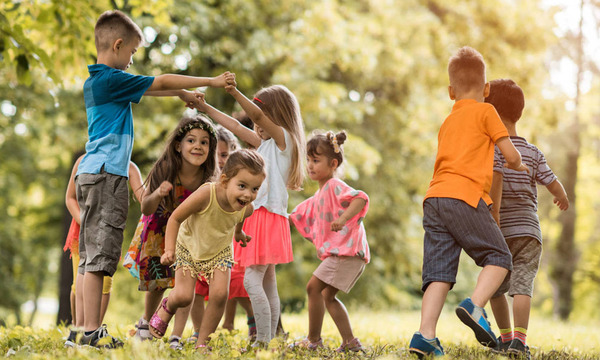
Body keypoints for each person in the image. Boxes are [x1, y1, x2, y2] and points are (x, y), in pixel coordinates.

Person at [76, 9, 230, 347]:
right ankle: (90, 333)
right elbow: (158, 81)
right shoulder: (111, 79)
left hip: (90, 174)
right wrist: (211, 82)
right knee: (101, 259)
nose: (132, 60)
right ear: (117, 45)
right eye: (131, 53)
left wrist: (180, 96)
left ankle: (84, 331)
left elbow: (151, 89)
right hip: (106, 176)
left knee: (91, 259)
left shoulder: (98, 82)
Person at [407, 46, 529, 358]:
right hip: (464, 196)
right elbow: (510, 153)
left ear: (451, 92)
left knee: (438, 273)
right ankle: (475, 306)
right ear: (486, 90)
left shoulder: (448, 121)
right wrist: (519, 165)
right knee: (500, 257)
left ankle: (425, 335)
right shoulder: (487, 111)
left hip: (434, 199)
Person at [195, 78, 306, 346]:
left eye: (263, 116)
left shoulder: (284, 140)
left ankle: (263, 341)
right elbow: (234, 125)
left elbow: (254, 113)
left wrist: (233, 91)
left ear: (277, 115)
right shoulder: (265, 143)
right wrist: (205, 108)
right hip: (265, 217)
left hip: (266, 216)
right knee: (268, 283)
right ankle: (269, 340)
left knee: (251, 279)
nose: (256, 123)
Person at [148, 149, 266, 351]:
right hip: (189, 246)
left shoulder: (247, 207)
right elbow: (175, 218)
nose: (248, 194)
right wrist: (169, 250)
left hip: (219, 251)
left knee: (220, 295)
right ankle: (168, 305)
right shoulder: (207, 193)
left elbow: (239, 219)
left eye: (255, 189)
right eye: (242, 186)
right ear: (224, 180)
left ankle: (203, 342)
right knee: (185, 296)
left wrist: (239, 234)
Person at [485, 79, 569, 359]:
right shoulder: (532, 152)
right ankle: (519, 341)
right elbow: (552, 181)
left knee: (495, 286)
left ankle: (505, 337)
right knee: (523, 284)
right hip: (529, 232)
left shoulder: (491, 149)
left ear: (491, 112)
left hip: (499, 230)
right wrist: (562, 197)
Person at [123, 115, 218, 350]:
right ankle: (146, 322)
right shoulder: (166, 168)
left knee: (185, 283)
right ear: (178, 145)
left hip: (189, 234)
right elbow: (145, 207)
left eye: (204, 142)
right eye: (191, 140)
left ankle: (175, 334)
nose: (198, 146)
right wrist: (157, 193)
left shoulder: (208, 178)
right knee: (158, 281)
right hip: (159, 229)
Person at [289, 131, 369, 353]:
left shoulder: (334, 185)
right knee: (326, 296)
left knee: (313, 288)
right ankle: (351, 342)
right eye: (308, 160)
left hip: (347, 252)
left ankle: (313, 340)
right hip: (346, 253)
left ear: (333, 163)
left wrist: (343, 219)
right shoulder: (321, 192)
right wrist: (281, 219)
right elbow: (300, 213)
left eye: (316, 160)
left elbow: (360, 198)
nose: (310, 165)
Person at [63, 156, 144, 347]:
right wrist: (86, 223)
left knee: (104, 282)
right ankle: (78, 329)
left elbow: (143, 196)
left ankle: (93, 330)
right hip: (81, 233)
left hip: (107, 234)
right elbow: (70, 198)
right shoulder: (82, 161)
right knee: (79, 282)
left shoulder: (128, 166)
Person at [187, 126, 257, 343]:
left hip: (225, 245)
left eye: (225, 155)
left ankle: (253, 318)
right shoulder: (202, 179)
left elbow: (245, 209)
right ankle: (199, 331)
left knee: (235, 285)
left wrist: (239, 231)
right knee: (197, 289)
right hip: (199, 244)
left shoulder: (238, 183)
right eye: (216, 154)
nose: (219, 160)